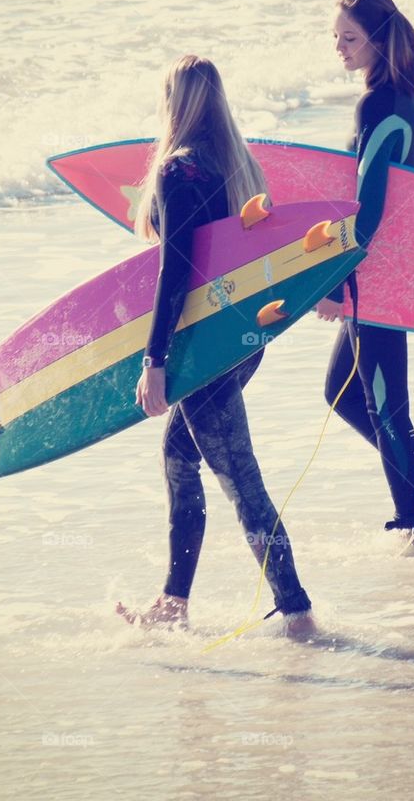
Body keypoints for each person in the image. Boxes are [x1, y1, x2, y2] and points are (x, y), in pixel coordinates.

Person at [117, 54, 316, 638]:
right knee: (180, 458)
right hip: (243, 336)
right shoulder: (241, 167)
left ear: (175, 104)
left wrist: (154, 360)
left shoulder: (180, 172)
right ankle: (174, 603)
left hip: (203, 349)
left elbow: (173, 270)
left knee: (241, 482)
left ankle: (298, 609)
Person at [315, 0, 414, 542]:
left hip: (375, 274)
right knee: (346, 393)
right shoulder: (413, 102)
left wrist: (335, 283)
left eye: (350, 38)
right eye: (336, 39)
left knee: (384, 404)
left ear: (376, 38)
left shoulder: (379, 106)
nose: (341, 49)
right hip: (391, 268)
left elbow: (367, 212)